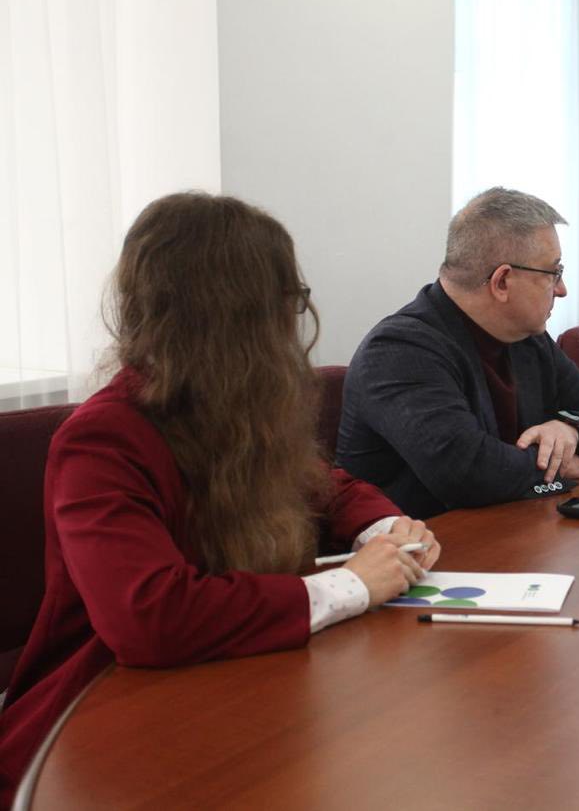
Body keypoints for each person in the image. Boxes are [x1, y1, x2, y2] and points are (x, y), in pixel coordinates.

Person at [0, 193, 438, 804]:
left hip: (240, 672)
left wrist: (384, 529)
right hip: (99, 717)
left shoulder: (238, 407)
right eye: (287, 302)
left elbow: (327, 486)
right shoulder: (102, 438)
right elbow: (150, 617)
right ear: (239, 316)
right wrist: (352, 586)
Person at [338, 187, 579, 517]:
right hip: (427, 540)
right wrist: (560, 465)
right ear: (502, 282)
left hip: (516, 525)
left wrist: (572, 431)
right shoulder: (399, 351)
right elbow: (468, 471)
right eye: (553, 273)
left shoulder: (527, 338)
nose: (562, 289)